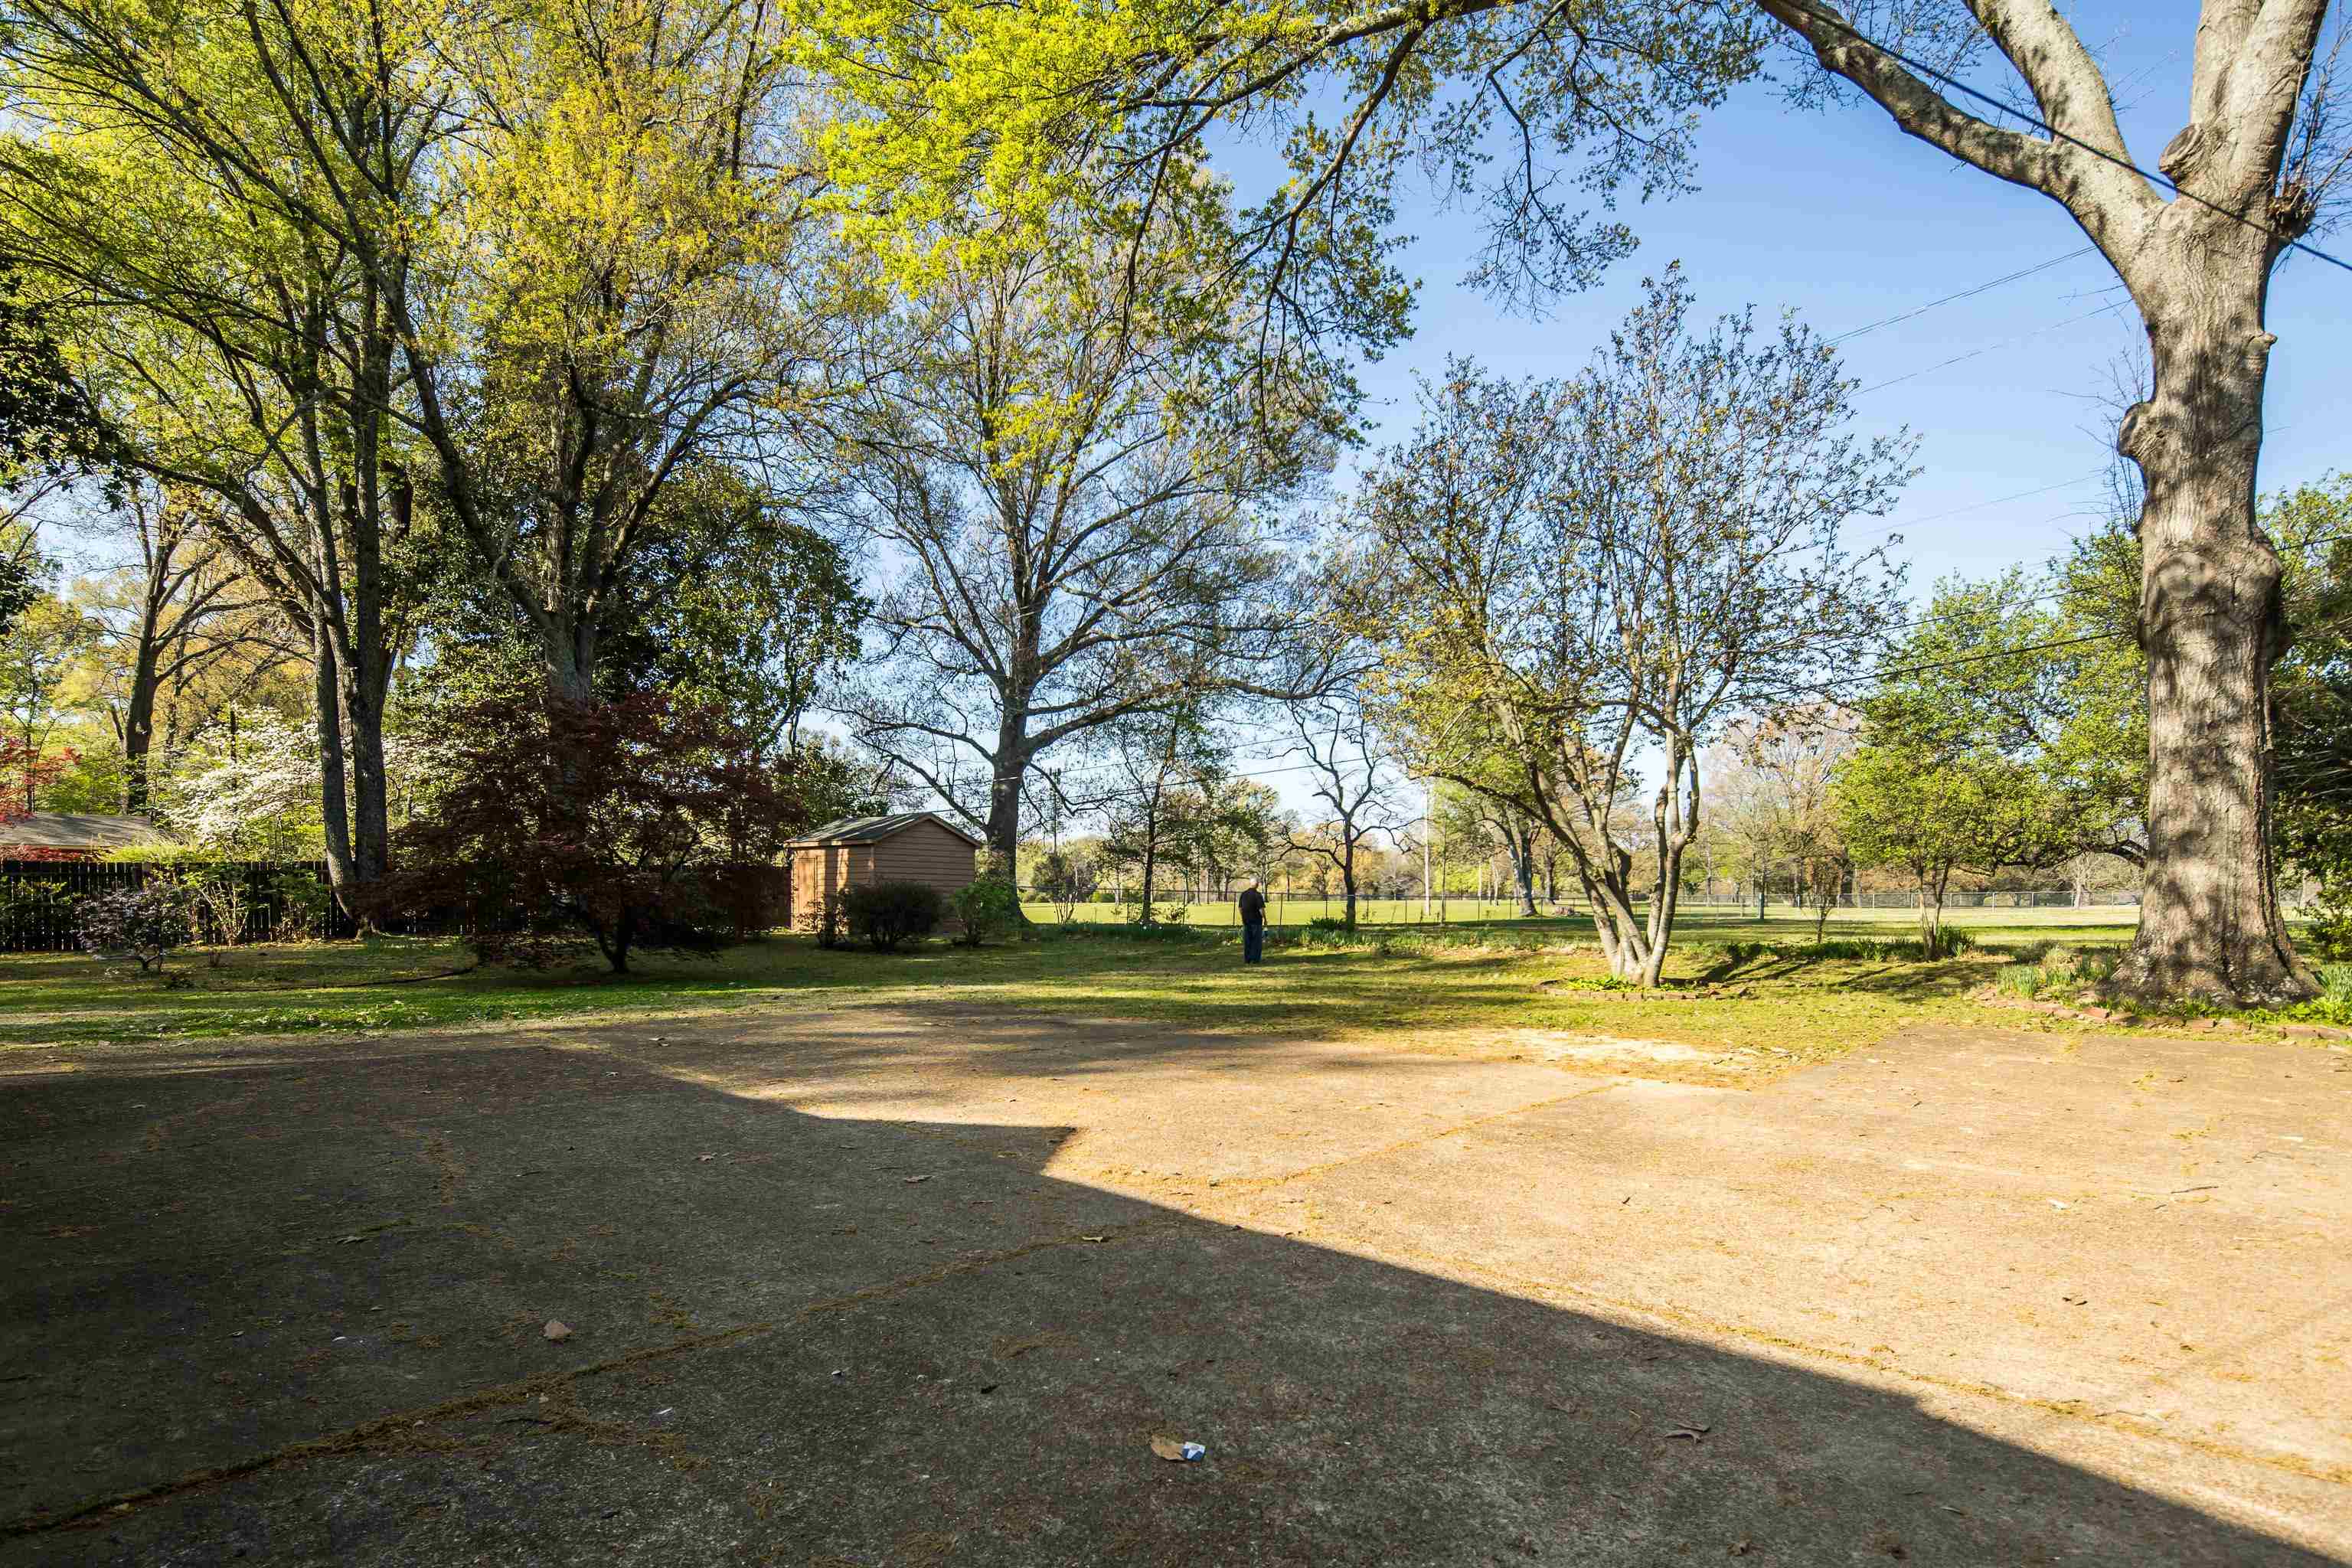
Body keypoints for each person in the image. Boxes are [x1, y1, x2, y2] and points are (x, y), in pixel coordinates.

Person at [1237, 878, 1267, 965]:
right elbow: (1261, 909)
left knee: (1248, 941)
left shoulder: (1244, 894)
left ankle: (1247, 959)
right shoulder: (1258, 895)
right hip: (1256, 921)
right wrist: (1265, 919)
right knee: (1256, 941)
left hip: (1246, 921)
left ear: (1250, 884)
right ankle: (1255, 959)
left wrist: (1243, 917)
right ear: (1257, 885)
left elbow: (1240, 908)